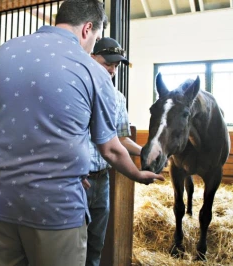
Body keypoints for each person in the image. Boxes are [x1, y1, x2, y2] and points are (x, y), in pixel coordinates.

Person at [0, 1, 164, 265]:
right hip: (54, 211)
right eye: (95, 38)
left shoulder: (0, 54)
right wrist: (137, 174)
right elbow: (111, 148)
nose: (92, 45)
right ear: (88, 29)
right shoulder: (92, 70)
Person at [82, 37, 142, 266]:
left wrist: (144, 152)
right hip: (79, 179)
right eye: (107, 63)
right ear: (92, 58)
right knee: (73, 241)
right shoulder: (76, 91)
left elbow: (122, 138)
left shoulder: (117, 98)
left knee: (96, 241)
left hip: (102, 179)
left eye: (115, 66)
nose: (112, 70)